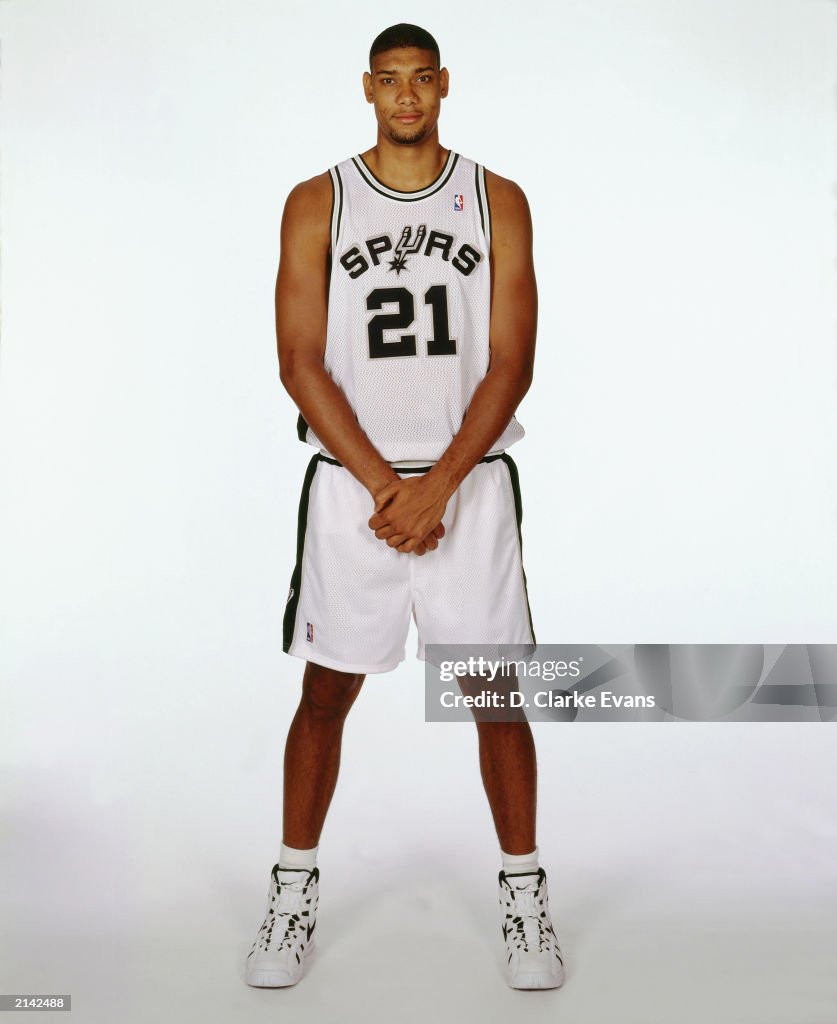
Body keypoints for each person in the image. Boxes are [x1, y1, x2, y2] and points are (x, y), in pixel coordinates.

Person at [245, 23, 564, 991]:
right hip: (357, 488)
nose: (406, 96)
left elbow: (512, 362)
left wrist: (438, 487)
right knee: (326, 691)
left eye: (421, 79)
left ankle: (523, 896)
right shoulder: (318, 201)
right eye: (389, 81)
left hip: (466, 482)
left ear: (444, 86)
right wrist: (392, 489)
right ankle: (293, 887)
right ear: (368, 90)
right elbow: (299, 362)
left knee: (494, 695)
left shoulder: (496, 198)